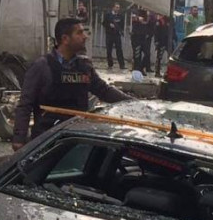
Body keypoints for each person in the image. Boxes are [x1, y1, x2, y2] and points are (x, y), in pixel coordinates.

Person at [12, 18, 131, 151]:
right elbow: (25, 104)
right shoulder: (42, 66)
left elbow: (104, 90)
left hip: (77, 137)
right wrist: (19, 138)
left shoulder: (84, 66)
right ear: (65, 39)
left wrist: (133, 103)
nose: (85, 36)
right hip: (47, 138)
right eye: (79, 33)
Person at [102, 3, 125, 70]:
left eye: (118, 7)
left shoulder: (120, 16)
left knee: (119, 49)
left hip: (117, 35)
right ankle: (110, 64)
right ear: (113, 7)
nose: (117, 9)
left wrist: (120, 30)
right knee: (109, 50)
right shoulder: (108, 15)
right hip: (109, 34)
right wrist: (109, 25)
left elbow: (122, 25)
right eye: (116, 7)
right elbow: (104, 23)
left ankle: (122, 65)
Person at [130, 7, 149, 74]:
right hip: (136, 37)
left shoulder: (146, 13)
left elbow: (147, 22)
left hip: (143, 37)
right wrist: (138, 18)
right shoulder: (136, 11)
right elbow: (133, 17)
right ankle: (137, 70)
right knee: (137, 55)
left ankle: (141, 67)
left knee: (147, 54)